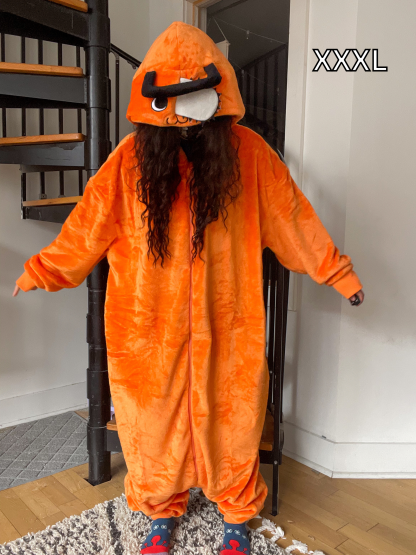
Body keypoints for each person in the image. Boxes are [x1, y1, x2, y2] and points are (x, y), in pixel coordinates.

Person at [13, 22, 364, 555]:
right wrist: (43, 270)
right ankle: (160, 508)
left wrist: (337, 273)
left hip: (230, 320)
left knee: (235, 419)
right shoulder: (128, 161)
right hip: (146, 326)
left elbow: (293, 218)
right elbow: (87, 225)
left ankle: (236, 514)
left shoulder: (249, 154)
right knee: (151, 422)